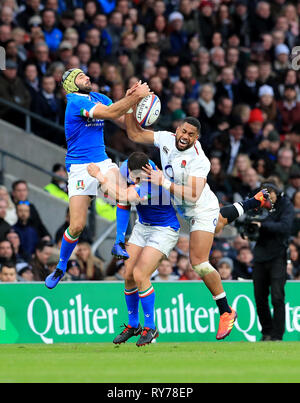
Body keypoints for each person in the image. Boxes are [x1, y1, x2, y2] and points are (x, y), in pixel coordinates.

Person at [101, 115, 272, 340]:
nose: (185, 137)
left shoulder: (199, 160)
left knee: (199, 262)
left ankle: (226, 311)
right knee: (220, 224)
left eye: (191, 135)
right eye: (183, 131)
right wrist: (134, 106)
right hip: (186, 209)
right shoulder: (166, 139)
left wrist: (163, 181)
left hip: (200, 210)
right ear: (177, 129)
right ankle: (254, 201)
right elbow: (134, 134)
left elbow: (192, 196)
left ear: (196, 137)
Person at [45, 68, 151, 289]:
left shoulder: (98, 97)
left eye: (86, 74)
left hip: (101, 160)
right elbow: (111, 113)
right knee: (76, 226)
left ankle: (119, 242)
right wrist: (134, 97)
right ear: (71, 85)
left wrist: (136, 109)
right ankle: (61, 265)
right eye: (81, 76)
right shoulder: (74, 102)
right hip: (79, 167)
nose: (88, 77)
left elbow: (122, 120)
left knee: (123, 194)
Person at [89, 151, 180, 346]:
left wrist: (99, 176)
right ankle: (133, 325)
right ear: (128, 170)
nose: (136, 179)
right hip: (142, 225)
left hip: (164, 229)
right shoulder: (125, 168)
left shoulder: (153, 181)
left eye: (140, 177)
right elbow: (122, 203)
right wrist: (120, 238)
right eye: (134, 177)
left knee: (140, 274)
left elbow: (124, 196)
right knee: (129, 274)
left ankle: (150, 327)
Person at [252, 179, 294, 341]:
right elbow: (248, 226)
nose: (267, 198)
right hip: (260, 255)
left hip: (278, 256)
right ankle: (266, 332)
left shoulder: (286, 206)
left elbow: (285, 227)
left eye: (270, 194)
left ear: (277, 194)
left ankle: (277, 335)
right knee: (259, 297)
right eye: (264, 194)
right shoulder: (256, 204)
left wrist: (263, 225)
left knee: (277, 296)